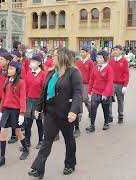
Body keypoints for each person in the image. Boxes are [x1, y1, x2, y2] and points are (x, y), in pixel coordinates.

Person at [28, 48, 83, 178]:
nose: (52, 58)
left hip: (66, 113)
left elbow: (78, 93)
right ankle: (38, 168)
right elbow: (44, 91)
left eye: (55, 56)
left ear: (63, 57)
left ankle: (70, 164)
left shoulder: (73, 73)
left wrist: (74, 111)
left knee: (69, 140)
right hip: (50, 112)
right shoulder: (51, 72)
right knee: (47, 140)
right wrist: (38, 108)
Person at [0, 61, 29, 168]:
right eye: (9, 69)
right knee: (3, 131)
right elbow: (4, 97)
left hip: (16, 110)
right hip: (6, 110)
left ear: (17, 71)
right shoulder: (7, 80)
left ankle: (26, 149)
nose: (9, 70)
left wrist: (22, 113)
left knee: (18, 131)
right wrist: (0, 110)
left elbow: (22, 98)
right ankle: (2, 157)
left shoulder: (21, 82)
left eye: (12, 69)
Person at [87, 50, 114, 132]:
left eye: (100, 57)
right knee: (93, 108)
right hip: (95, 91)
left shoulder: (109, 68)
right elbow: (91, 79)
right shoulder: (95, 68)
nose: (98, 59)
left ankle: (106, 123)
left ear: (105, 58)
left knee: (105, 109)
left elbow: (110, 82)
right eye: (97, 57)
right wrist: (89, 91)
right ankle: (92, 125)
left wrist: (105, 93)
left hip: (105, 93)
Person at [24, 53, 46, 149]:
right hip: (29, 100)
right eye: (31, 61)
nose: (32, 63)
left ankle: (41, 140)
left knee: (39, 122)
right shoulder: (29, 72)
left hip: (38, 101)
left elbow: (44, 90)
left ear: (39, 63)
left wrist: (42, 104)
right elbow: (26, 86)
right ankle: (27, 142)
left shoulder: (43, 74)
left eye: (34, 61)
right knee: (27, 123)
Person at [75, 47, 94, 137]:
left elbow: (92, 74)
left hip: (87, 84)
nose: (81, 53)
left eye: (83, 52)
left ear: (87, 53)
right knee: (79, 100)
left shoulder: (90, 62)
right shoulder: (78, 62)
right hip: (78, 84)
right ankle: (79, 115)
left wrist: (91, 85)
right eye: (81, 52)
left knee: (86, 99)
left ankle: (91, 111)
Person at [108, 45, 129, 124]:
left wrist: (125, 85)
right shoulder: (111, 60)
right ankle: (109, 116)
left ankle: (120, 115)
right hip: (111, 83)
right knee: (109, 100)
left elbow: (126, 74)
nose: (115, 51)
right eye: (114, 50)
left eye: (116, 50)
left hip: (120, 84)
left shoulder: (124, 61)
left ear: (120, 51)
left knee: (120, 101)